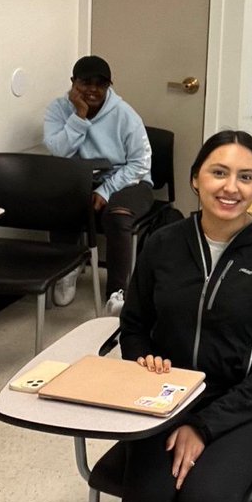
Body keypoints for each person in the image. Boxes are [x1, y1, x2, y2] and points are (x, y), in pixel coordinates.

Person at [118, 130, 252, 502]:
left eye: (245, 177)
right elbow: (133, 325)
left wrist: (205, 426)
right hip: (166, 398)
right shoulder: (163, 243)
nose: (231, 187)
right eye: (218, 172)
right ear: (195, 179)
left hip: (247, 404)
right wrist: (141, 359)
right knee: (147, 500)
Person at [44, 55, 153, 313]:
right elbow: (59, 153)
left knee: (117, 216)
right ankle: (67, 271)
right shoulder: (58, 109)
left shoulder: (125, 115)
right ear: (73, 82)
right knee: (56, 202)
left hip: (130, 181)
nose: (93, 90)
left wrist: (106, 190)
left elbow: (140, 163)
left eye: (100, 84)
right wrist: (80, 117)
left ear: (109, 86)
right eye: (85, 83)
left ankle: (117, 293)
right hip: (80, 179)